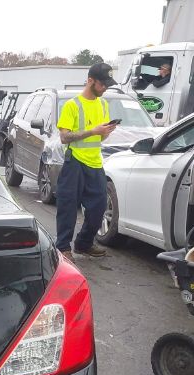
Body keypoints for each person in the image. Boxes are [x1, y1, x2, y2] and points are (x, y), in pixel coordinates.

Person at [55, 62, 118, 261]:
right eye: (102, 84)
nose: (105, 88)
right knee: (68, 207)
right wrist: (93, 131)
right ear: (90, 80)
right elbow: (64, 137)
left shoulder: (103, 104)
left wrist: (106, 132)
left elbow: (100, 138)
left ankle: (83, 244)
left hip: (95, 163)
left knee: (98, 208)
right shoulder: (72, 105)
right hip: (75, 163)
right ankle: (63, 247)